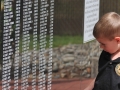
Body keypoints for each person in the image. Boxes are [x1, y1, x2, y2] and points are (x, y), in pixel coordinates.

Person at [84, 12, 120, 90]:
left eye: (103, 44)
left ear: (117, 40)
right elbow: (101, 75)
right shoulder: (106, 55)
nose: (101, 47)